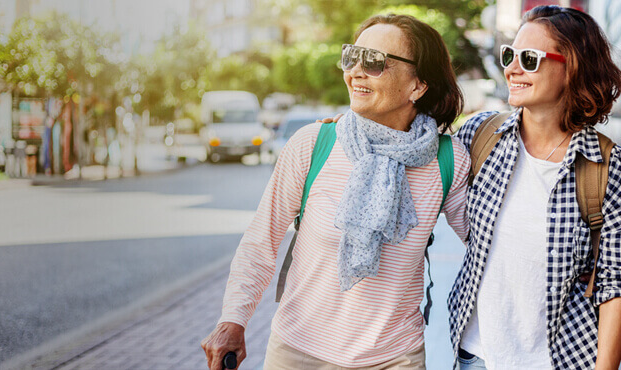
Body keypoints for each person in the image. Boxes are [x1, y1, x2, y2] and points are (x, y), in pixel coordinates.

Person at [201, 14, 471, 369]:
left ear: (417, 86)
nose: (355, 71)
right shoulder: (313, 144)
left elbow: (487, 248)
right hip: (298, 351)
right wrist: (233, 319)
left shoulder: (447, 160)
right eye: (352, 57)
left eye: (374, 62)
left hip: (395, 357)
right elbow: (260, 242)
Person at [448, 6, 621, 369]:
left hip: (562, 359)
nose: (512, 68)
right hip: (476, 355)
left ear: (571, 68)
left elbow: (614, 286)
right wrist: (351, 126)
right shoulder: (479, 136)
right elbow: (415, 155)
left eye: (529, 58)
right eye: (509, 55)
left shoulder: (607, 167)